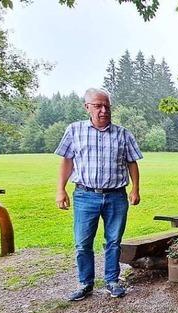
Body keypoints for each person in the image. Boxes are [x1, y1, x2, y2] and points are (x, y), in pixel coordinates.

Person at [55, 88, 142, 301]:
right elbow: (67, 161)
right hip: (85, 195)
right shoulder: (74, 131)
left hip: (116, 196)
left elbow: (132, 162)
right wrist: (60, 190)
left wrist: (135, 189)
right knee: (82, 243)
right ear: (87, 107)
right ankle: (85, 283)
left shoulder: (123, 134)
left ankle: (112, 282)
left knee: (113, 241)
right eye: (98, 106)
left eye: (107, 106)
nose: (103, 110)